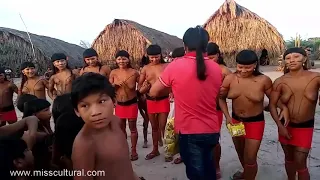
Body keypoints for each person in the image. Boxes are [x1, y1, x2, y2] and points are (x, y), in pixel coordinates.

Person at [149, 26, 222, 180]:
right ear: (206, 45)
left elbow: (153, 92)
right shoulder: (216, 68)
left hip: (189, 131)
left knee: (196, 173)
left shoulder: (175, 66)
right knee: (208, 167)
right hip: (212, 128)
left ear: (185, 46)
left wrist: (173, 88)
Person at [70, 73, 140, 180]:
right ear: (77, 111)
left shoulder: (116, 122)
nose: (95, 112)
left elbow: (124, 165)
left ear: (114, 101)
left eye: (101, 101)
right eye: (85, 105)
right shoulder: (84, 144)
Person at [219, 50, 273, 180]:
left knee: (250, 157)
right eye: (240, 67)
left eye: (248, 67)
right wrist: (227, 117)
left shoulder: (264, 80)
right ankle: (246, 173)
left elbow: (275, 100)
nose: (243, 70)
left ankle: (249, 176)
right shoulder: (230, 79)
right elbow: (220, 98)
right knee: (241, 152)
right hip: (236, 122)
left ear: (255, 65)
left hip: (255, 123)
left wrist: (269, 107)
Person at [269, 47, 318, 180]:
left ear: (304, 59)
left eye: (296, 57)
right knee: (289, 158)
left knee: (301, 163)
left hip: (305, 126)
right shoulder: (280, 82)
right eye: (288, 58)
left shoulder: (315, 78)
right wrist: (281, 127)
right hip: (286, 125)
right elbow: (272, 105)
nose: (292, 60)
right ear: (284, 61)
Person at [138, 44, 170, 160]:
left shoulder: (167, 66)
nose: (154, 59)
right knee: (154, 126)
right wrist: (144, 89)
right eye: (152, 57)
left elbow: (173, 81)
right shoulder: (145, 68)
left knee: (163, 126)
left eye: (156, 57)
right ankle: (155, 150)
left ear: (160, 55)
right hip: (150, 101)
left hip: (163, 99)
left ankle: (167, 150)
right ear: (148, 56)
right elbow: (140, 88)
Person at [207, 42, 232, 179]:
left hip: (216, 109)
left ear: (218, 55)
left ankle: (216, 166)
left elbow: (234, 89)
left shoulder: (224, 71)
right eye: (207, 57)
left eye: (212, 57)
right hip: (200, 109)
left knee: (215, 140)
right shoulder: (199, 68)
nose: (210, 60)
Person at [109, 50, 140, 161]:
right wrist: (114, 85)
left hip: (131, 103)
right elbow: (109, 88)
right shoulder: (113, 72)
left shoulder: (134, 72)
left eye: (124, 58)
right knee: (121, 129)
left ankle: (134, 150)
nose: (121, 61)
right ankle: (124, 149)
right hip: (119, 105)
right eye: (119, 59)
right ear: (116, 60)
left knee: (133, 128)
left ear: (128, 59)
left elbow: (140, 88)